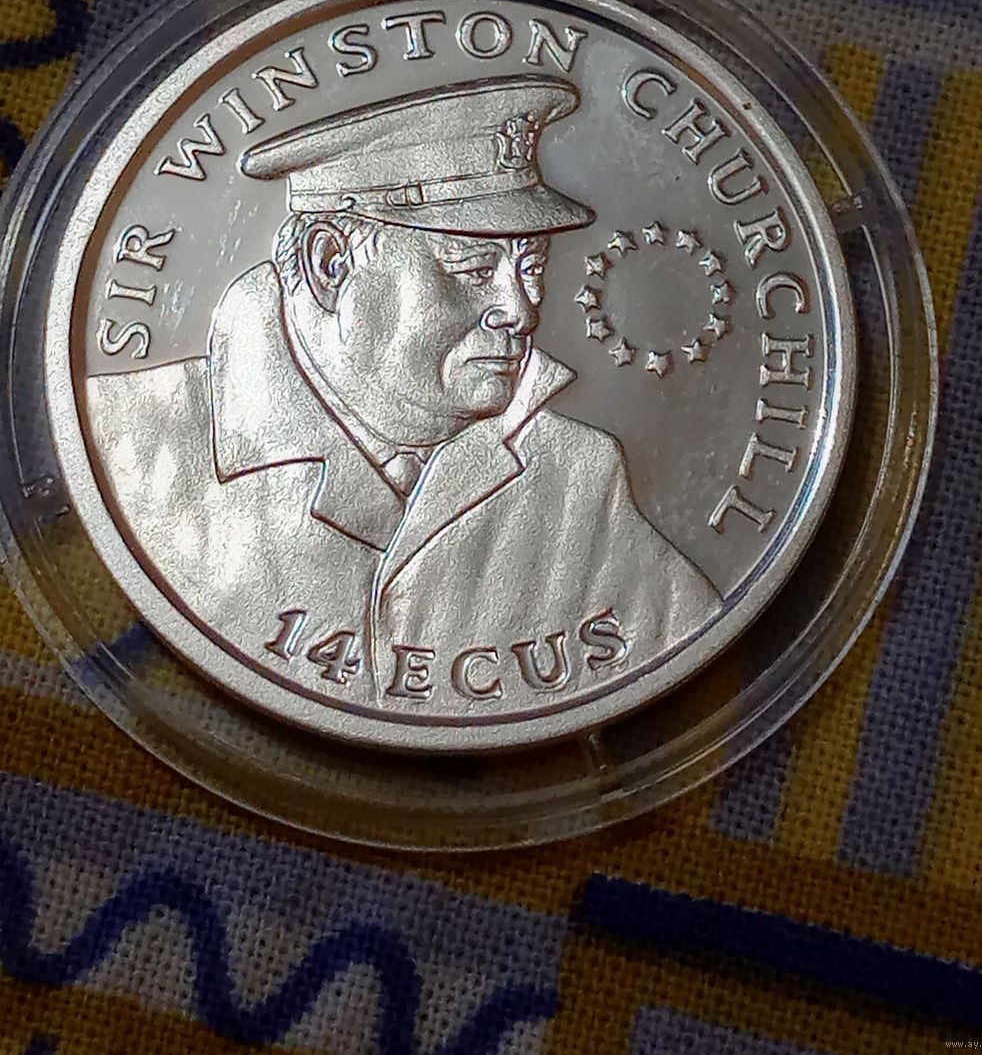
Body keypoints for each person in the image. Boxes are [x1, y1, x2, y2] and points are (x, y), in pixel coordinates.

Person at [87, 74, 721, 719]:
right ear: (331, 263)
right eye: (474, 268)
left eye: (531, 268)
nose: (520, 311)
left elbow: (692, 647)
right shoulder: (130, 435)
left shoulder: (577, 470)